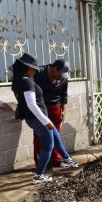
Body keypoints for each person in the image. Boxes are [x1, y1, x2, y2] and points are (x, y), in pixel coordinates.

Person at [11, 53, 79, 184]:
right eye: (34, 68)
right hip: (38, 119)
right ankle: (39, 175)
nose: (36, 70)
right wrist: (46, 121)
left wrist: (47, 119)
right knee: (48, 145)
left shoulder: (26, 81)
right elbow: (31, 105)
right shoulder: (27, 82)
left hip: (40, 117)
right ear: (28, 68)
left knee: (55, 137)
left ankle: (66, 158)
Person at [32, 59, 70, 169]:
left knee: (55, 136)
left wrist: (63, 110)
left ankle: (56, 159)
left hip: (56, 108)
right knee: (40, 135)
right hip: (41, 109)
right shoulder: (39, 74)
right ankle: (40, 162)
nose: (61, 76)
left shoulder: (63, 79)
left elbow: (64, 95)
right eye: (60, 73)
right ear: (54, 68)